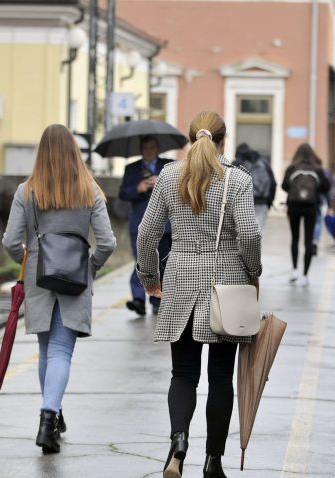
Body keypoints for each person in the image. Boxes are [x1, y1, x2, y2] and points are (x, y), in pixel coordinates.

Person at [136, 111, 262, 478]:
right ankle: (213, 462)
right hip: (227, 284)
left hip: (179, 279)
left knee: (183, 374)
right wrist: (253, 273)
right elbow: (250, 236)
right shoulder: (236, 180)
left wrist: (149, 277)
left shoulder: (171, 176)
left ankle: (177, 445)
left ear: (191, 139)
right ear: (224, 140)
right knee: (221, 378)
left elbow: (147, 234)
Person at [2, 124, 116, 454]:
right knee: (61, 352)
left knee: (46, 351)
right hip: (75, 280)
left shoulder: (27, 191)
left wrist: (28, 259)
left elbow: (10, 241)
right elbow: (107, 243)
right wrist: (89, 267)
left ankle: (51, 416)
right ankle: (49, 416)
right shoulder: (89, 190)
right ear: (73, 152)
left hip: (39, 278)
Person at [119, 135, 174, 316]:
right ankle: (138, 300)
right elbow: (123, 193)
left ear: (157, 148)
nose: (149, 151)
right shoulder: (132, 169)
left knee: (161, 263)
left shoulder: (169, 166)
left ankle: (157, 299)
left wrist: (162, 182)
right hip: (139, 223)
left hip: (164, 225)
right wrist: (139, 188)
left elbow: (181, 188)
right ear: (141, 150)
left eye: (152, 147)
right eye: (145, 148)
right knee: (141, 262)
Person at [281, 143, 331, 286]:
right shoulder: (317, 169)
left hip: (294, 206)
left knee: (295, 238)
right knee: (308, 241)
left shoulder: (292, 168)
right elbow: (326, 187)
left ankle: (294, 270)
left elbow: (284, 186)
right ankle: (305, 275)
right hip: (311, 207)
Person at [233, 142, 276, 230]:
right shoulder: (263, 162)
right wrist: (269, 201)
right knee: (258, 231)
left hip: (243, 202)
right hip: (262, 202)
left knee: (243, 231)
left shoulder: (237, 163)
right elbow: (273, 183)